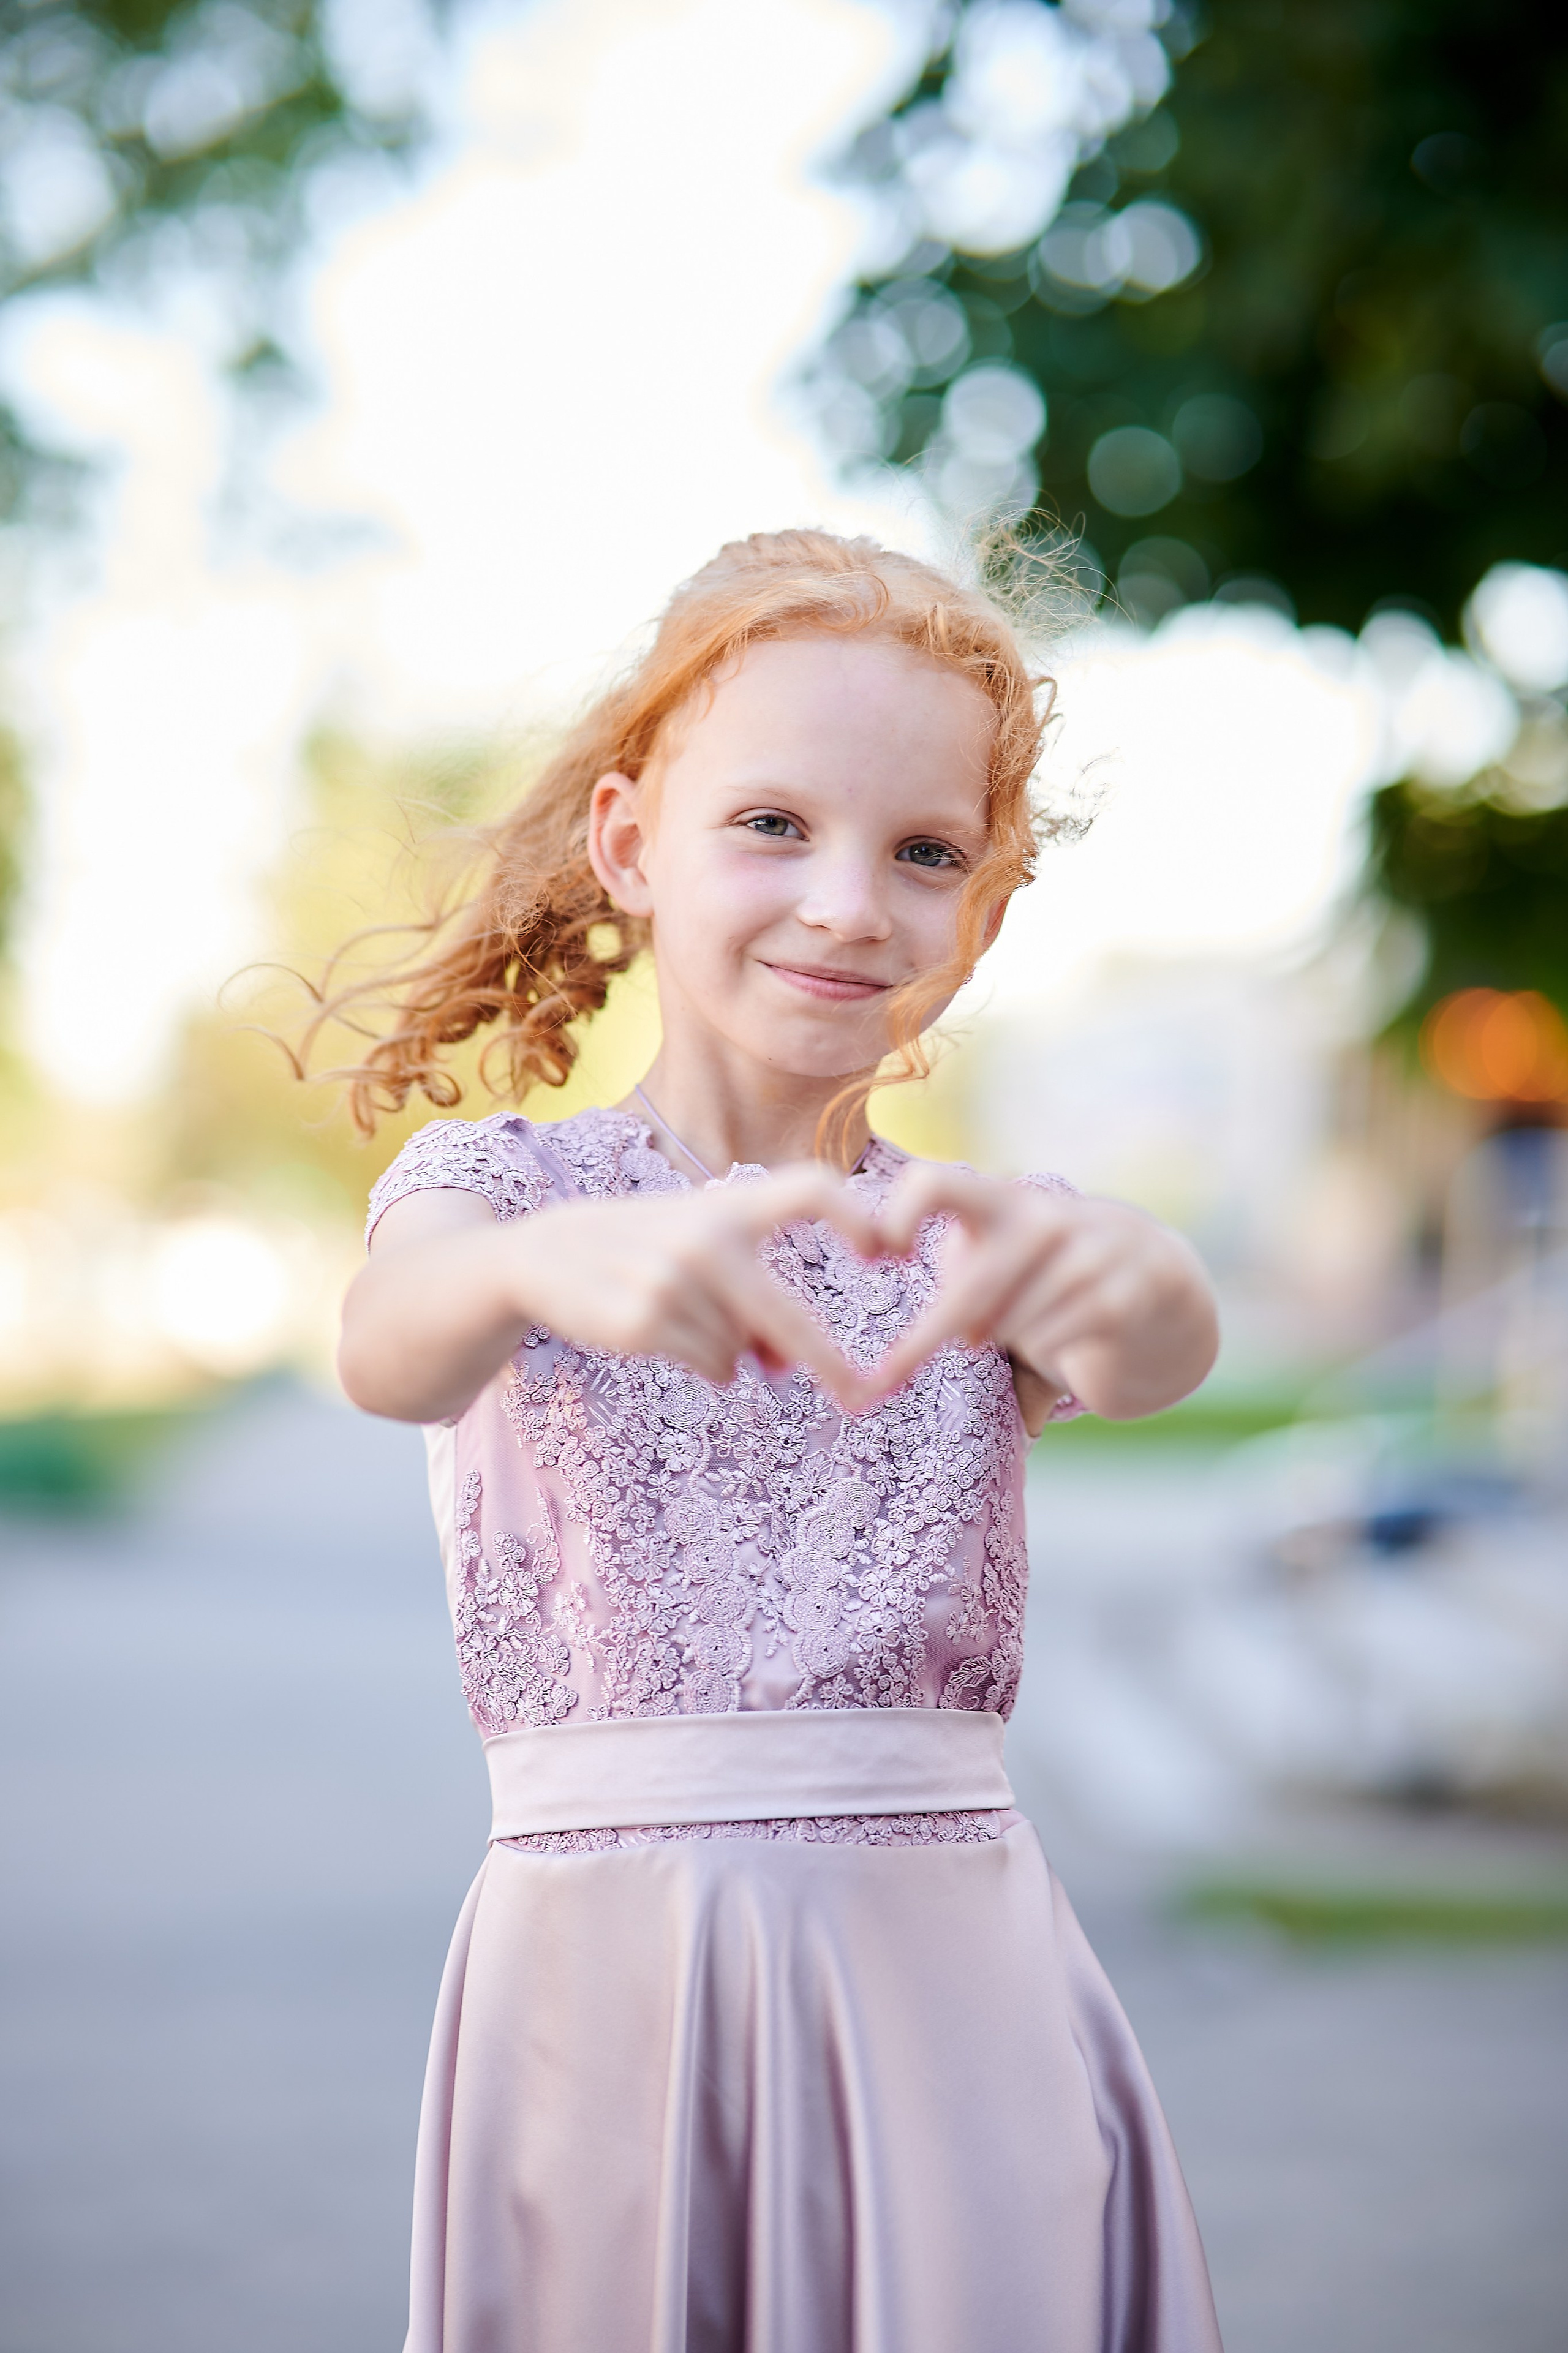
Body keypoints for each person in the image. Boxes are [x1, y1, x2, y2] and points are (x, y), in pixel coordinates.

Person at [329, 529, 1224, 2352]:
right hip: (607, 1997)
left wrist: (1135, 1266)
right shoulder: (504, 1191)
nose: (847, 903)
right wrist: (542, 1264)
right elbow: (393, 1347)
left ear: (980, 919)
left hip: (951, 1992)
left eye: (924, 855)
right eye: (772, 827)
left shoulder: (984, 1237)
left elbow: (1154, 1347)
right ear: (629, 843)